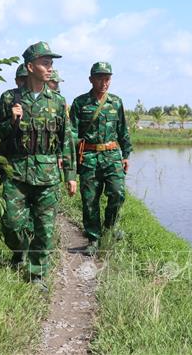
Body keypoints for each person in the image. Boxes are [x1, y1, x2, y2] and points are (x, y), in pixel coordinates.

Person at [0, 41, 77, 289]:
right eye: (45, 63)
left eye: (51, 64)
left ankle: (37, 275)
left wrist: (71, 175)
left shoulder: (58, 102)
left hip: (48, 174)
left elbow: (67, 140)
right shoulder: (10, 98)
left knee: (45, 229)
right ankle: (20, 251)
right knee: (12, 225)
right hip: (16, 172)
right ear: (30, 66)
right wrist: (12, 120)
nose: (50, 68)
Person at [70, 61, 132, 255]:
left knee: (117, 194)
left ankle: (109, 228)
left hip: (112, 156)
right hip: (88, 157)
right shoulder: (80, 103)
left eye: (107, 79)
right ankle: (93, 238)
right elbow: (71, 132)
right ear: (91, 80)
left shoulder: (116, 101)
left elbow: (123, 130)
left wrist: (126, 154)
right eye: (100, 78)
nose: (104, 82)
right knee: (90, 200)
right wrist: (72, 155)